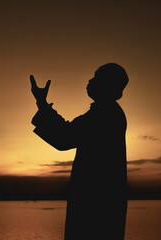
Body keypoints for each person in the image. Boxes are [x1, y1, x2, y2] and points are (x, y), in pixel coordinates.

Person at [30, 63, 129, 240]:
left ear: (108, 85)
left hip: (95, 206)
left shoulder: (104, 115)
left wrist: (42, 104)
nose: (90, 81)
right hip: (101, 203)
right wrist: (43, 105)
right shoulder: (107, 113)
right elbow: (67, 134)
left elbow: (64, 138)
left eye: (97, 78)